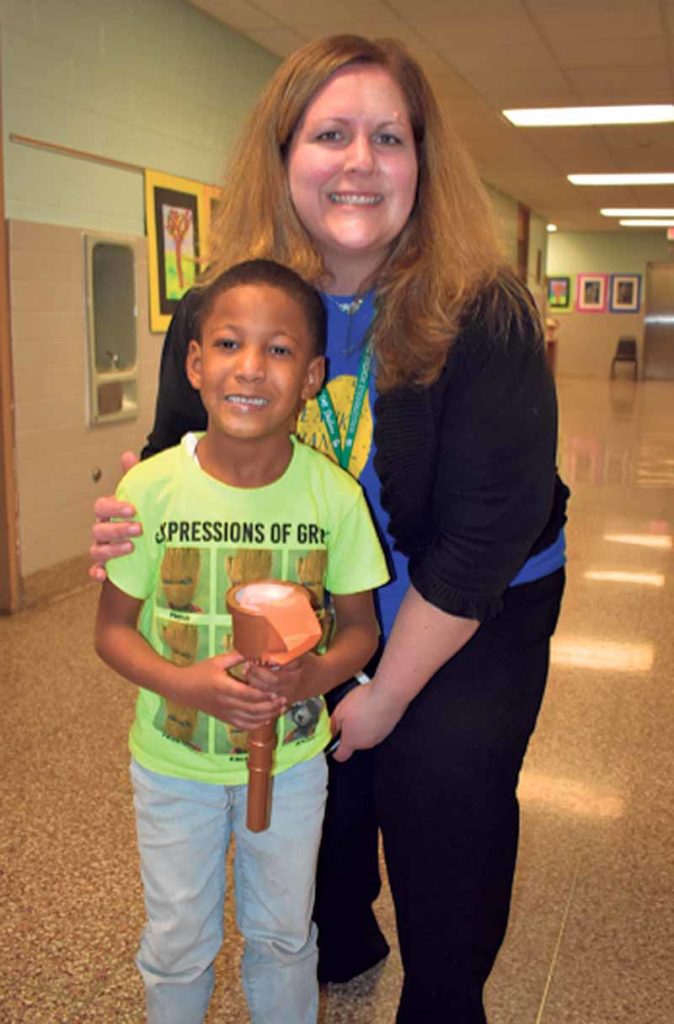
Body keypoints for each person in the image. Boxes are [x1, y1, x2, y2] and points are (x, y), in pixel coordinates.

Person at [89, 35, 569, 1021]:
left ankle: (442, 998)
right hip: (313, 597)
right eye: (330, 134)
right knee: (322, 785)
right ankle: (340, 937)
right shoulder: (228, 305)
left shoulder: (486, 314)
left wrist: (385, 689)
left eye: (388, 137)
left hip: (470, 606)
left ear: (421, 167)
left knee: (440, 791)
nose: (359, 161)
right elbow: (176, 451)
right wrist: (125, 515)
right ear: (282, 157)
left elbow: (484, 538)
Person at [94, 258, 389, 1024]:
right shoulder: (150, 489)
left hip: (291, 767)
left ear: (314, 374)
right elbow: (112, 634)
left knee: (285, 936)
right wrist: (187, 684)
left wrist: (309, 678)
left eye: (280, 350)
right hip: (173, 767)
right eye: (227, 344)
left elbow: (361, 631)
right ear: (195, 364)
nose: (250, 368)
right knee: (177, 940)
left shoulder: (333, 496)